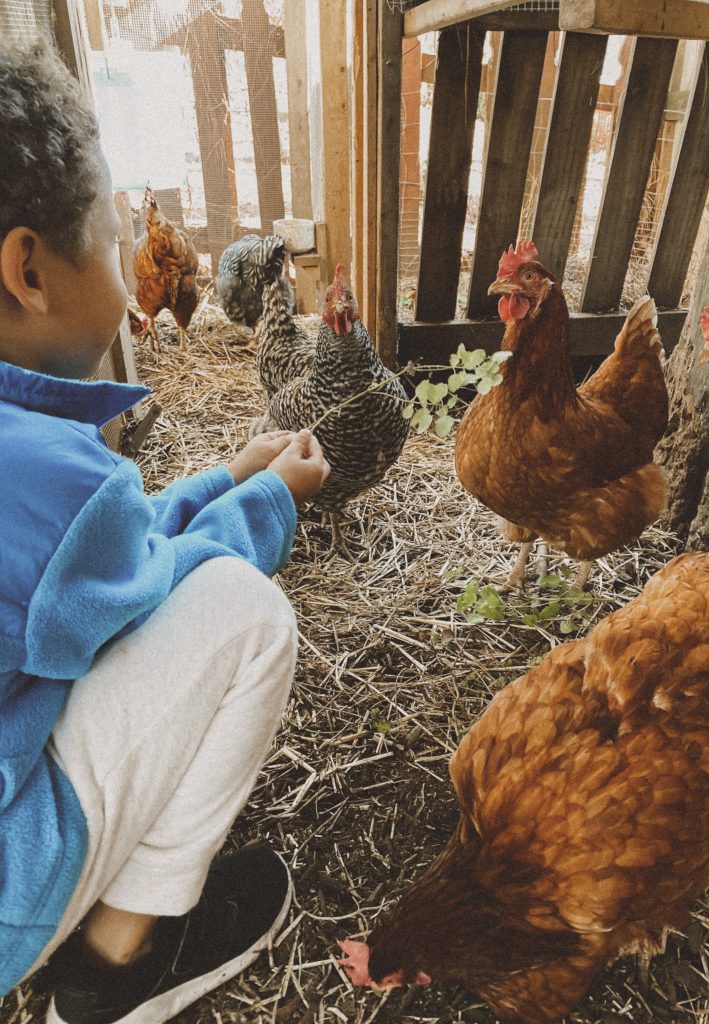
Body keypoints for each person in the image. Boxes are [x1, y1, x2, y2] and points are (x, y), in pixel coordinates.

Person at [0, 38, 330, 1024]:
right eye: (108, 237)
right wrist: (268, 500)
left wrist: (224, 468)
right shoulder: (46, 473)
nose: (133, 253)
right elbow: (158, 573)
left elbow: (104, 555)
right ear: (28, 267)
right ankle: (117, 958)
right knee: (240, 609)